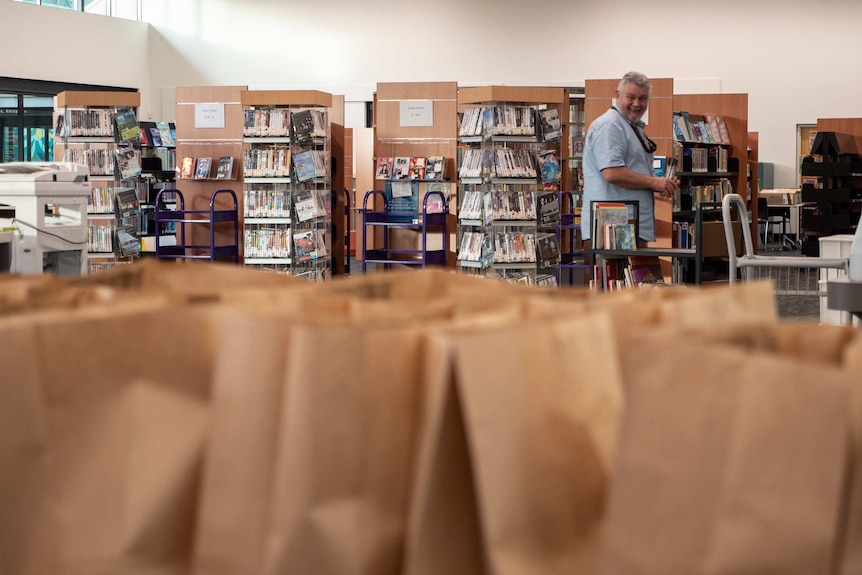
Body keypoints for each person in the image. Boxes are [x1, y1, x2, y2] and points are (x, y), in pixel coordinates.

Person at [582, 71, 679, 248]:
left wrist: (661, 183)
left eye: (642, 99)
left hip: (627, 226)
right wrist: (653, 183)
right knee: (615, 276)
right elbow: (612, 173)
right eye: (631, 97)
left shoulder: (631, 127)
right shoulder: (610, 125)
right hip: (613, 230)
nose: (636, 104)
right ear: (617, 95)